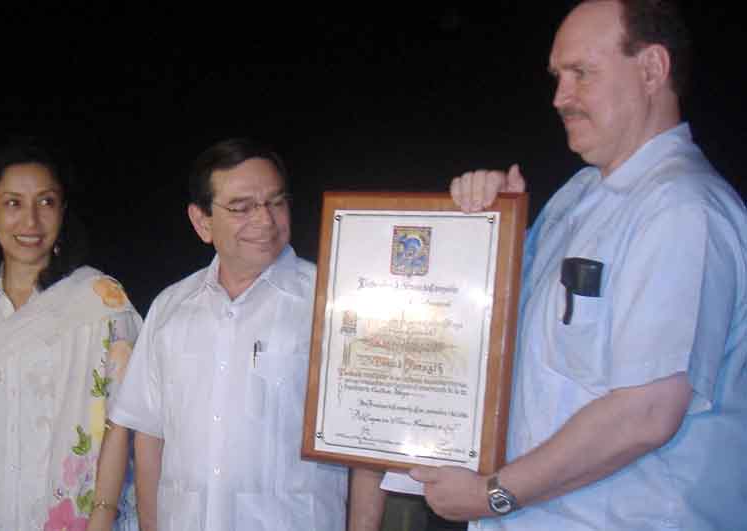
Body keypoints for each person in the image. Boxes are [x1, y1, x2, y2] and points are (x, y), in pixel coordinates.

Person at [359, 1, 747, 530]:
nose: (560, 98)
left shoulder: (681, 209)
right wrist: (487, 232)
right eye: (557, 77)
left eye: (581, 74)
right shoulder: (581, 195)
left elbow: (646, 413)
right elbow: (498, 338)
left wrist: (493, 495)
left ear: (652, 69)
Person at [102, 138, 348, 531]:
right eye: (242, 207)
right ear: (202, 222)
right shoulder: (170, 308)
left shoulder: (332, 304)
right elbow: (149, 434)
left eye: (276, 202)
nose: (265, 220)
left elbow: (368, 449)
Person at [0, 141, 142, 530]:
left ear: (63, 211)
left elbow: (121, 422)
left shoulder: (100, 300)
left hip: (72, 517)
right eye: (12, 204)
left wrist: (102, 516)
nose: (31, 221)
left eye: (46, 202)